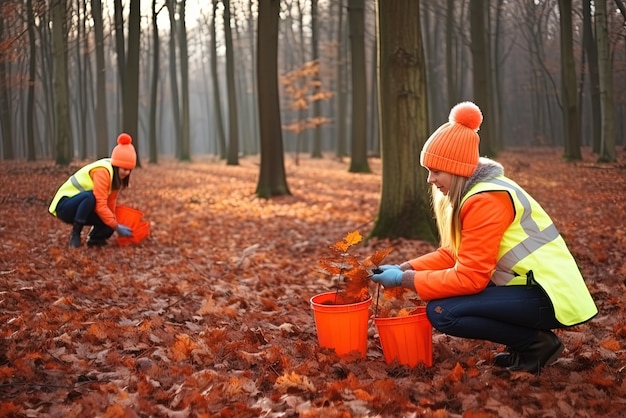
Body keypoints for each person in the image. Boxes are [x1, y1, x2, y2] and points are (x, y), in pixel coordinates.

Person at [371, 101, 597, 373]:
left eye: (436, 171)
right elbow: (454, 253)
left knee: (443, 312)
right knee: (447, 305)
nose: (430, 179)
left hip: (549, 295)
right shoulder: (477, 191)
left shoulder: (486, 199)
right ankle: (527, 345)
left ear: (457, 170)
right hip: (531, 289)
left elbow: (470, 277)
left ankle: (536, 344)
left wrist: (404, 280)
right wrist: (404, 268)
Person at [49, 133, 136, 248]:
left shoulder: (115, 177)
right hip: (64, 206)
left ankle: (95, 240)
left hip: (83, 206)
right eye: (125, 169)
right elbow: (100, 204)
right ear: (117, 165)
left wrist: (113, 224)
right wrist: (117, 227)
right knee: (90, 197)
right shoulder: (103, 171)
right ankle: (75, 235)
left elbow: (110, 204)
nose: (127, 173)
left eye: (130, 170)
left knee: (109, 220)